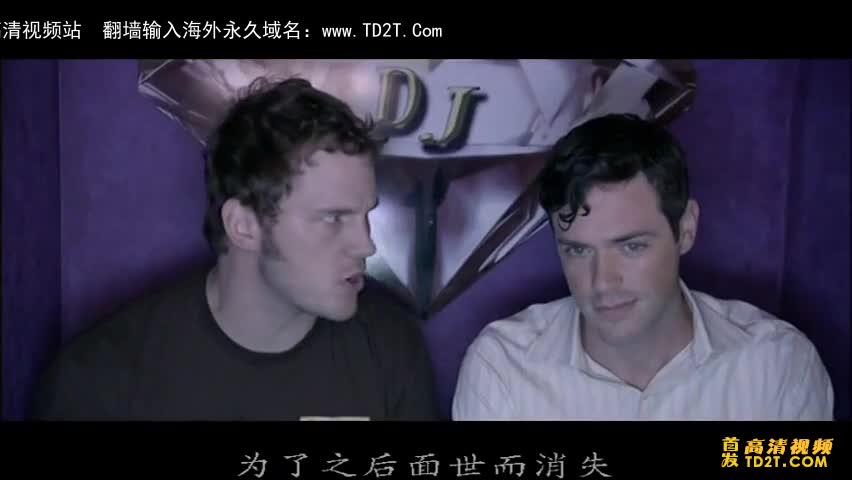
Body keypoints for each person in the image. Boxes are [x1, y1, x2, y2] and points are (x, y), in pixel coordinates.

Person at [31, 77, 439, 421]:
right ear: (243, 226)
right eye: (333, 218)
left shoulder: (389, 349)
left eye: (365, 215)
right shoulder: (101, 379)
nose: (366, 244)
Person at [452, 113, 834, 420]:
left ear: (686, 229)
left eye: (631, 246)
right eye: (578, 251)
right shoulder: (503, 368)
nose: (602, 281)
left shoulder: (779, 367)